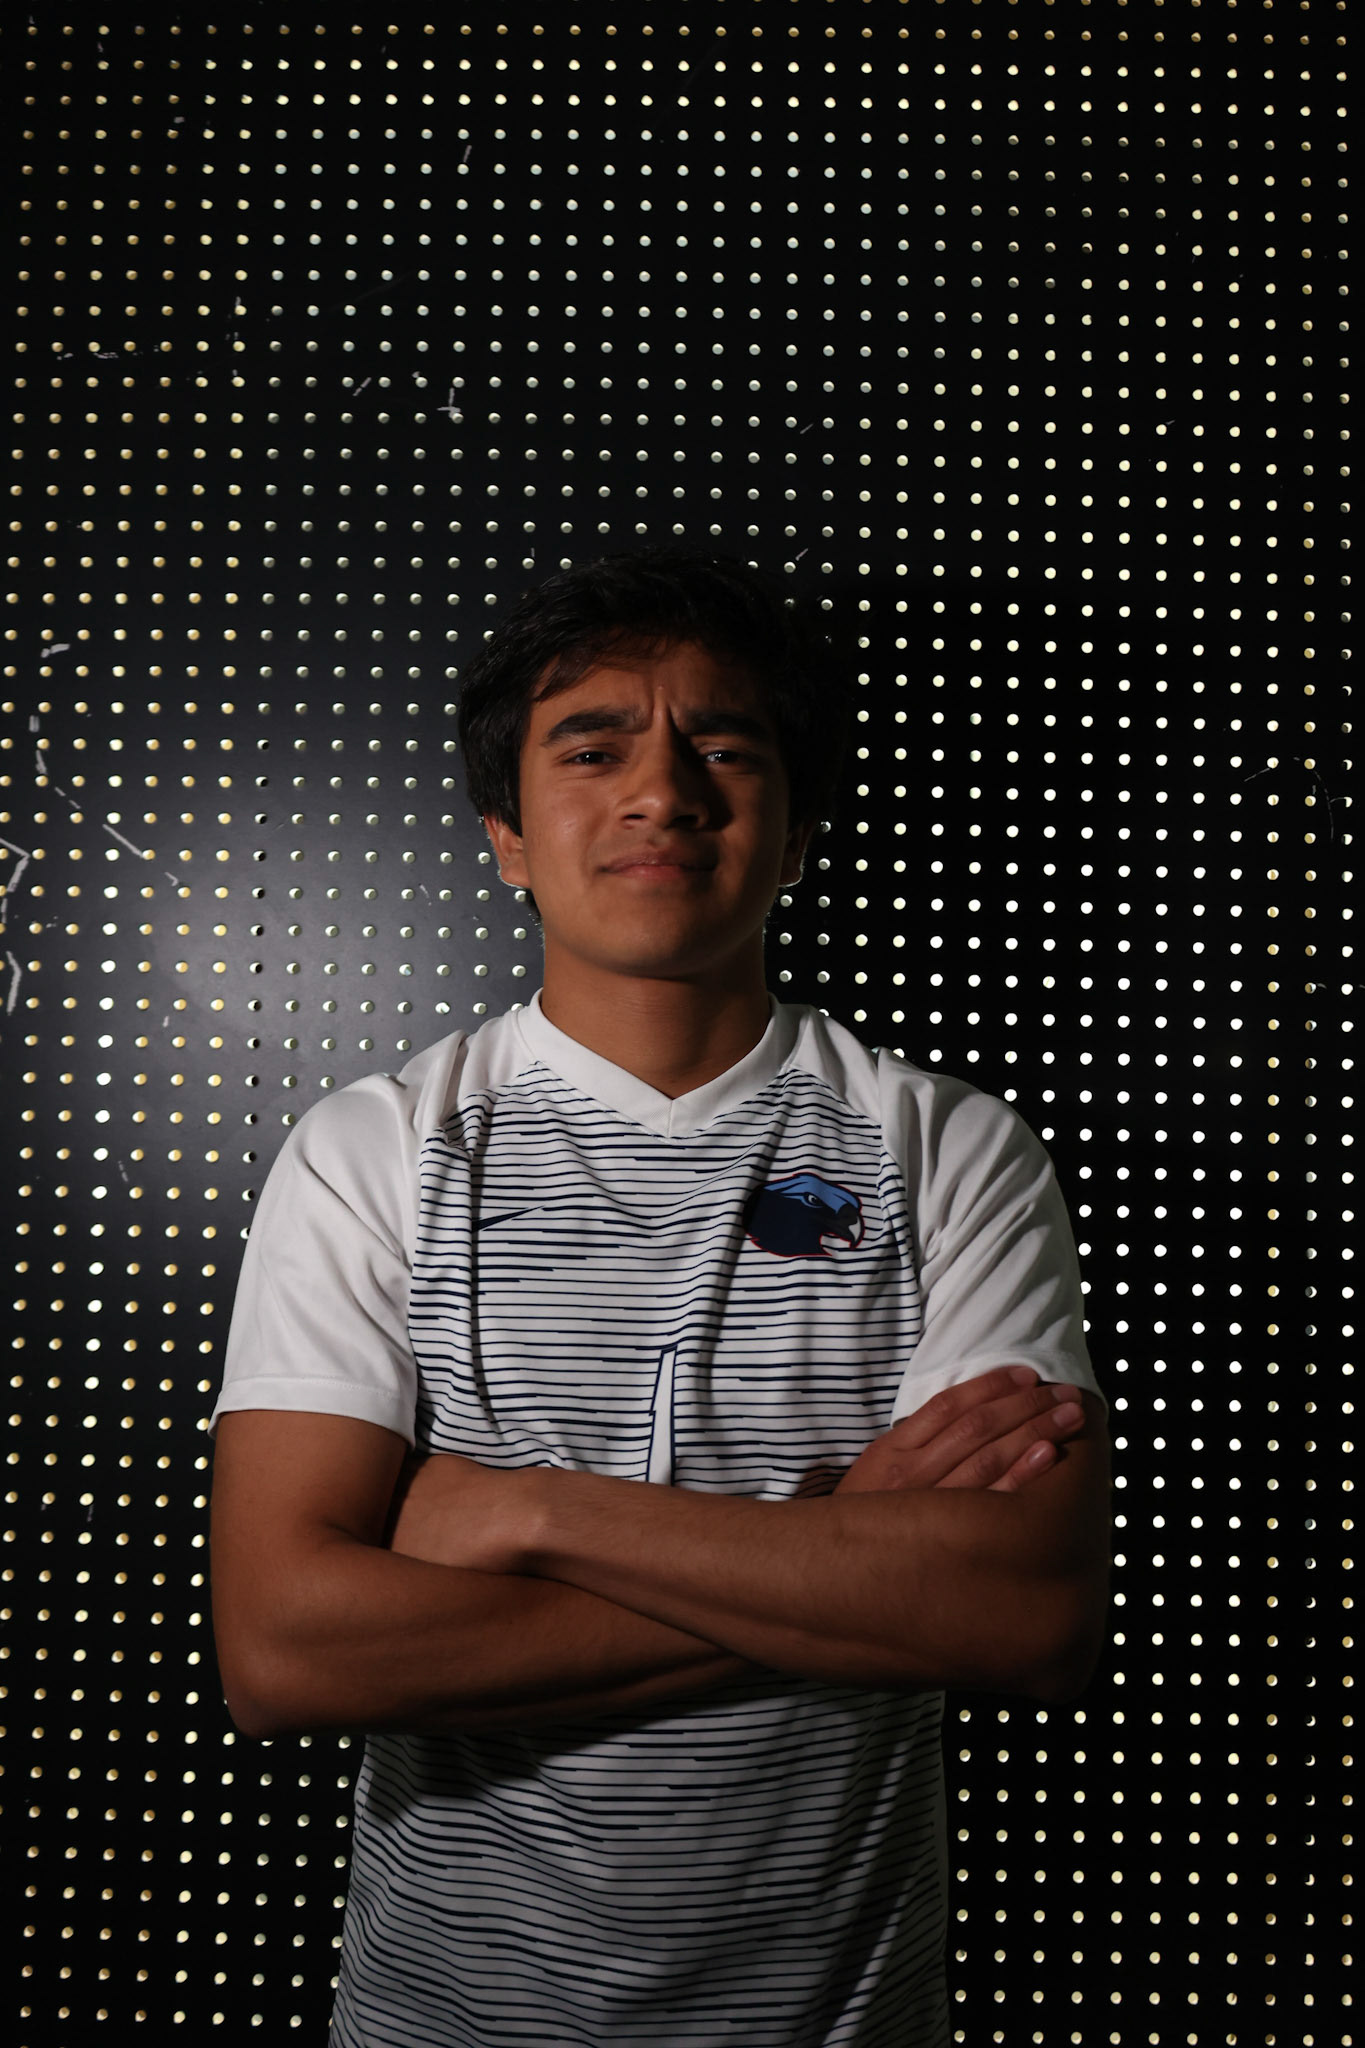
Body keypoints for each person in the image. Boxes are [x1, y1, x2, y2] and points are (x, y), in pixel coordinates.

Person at [209, 546, 1111, 2048]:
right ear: (504, 829)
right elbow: (287, 1650)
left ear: (799, 827)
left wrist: (528, 1510)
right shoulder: (371, 1152)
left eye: (724, 746)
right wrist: (838, 1559)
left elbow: (1017, 1611)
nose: (662, 792)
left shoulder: (947, 1148)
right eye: (593, 745)